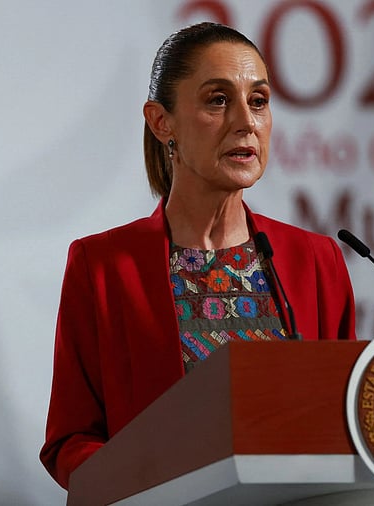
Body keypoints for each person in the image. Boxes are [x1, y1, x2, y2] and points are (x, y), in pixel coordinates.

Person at [40, 22, 357, 490]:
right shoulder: (102, 266)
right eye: (218, 100)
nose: (246, 122)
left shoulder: (315, 260)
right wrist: (144, 481)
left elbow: (348, 421)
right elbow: (71, 440)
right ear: (161, 122)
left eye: (259, 101)